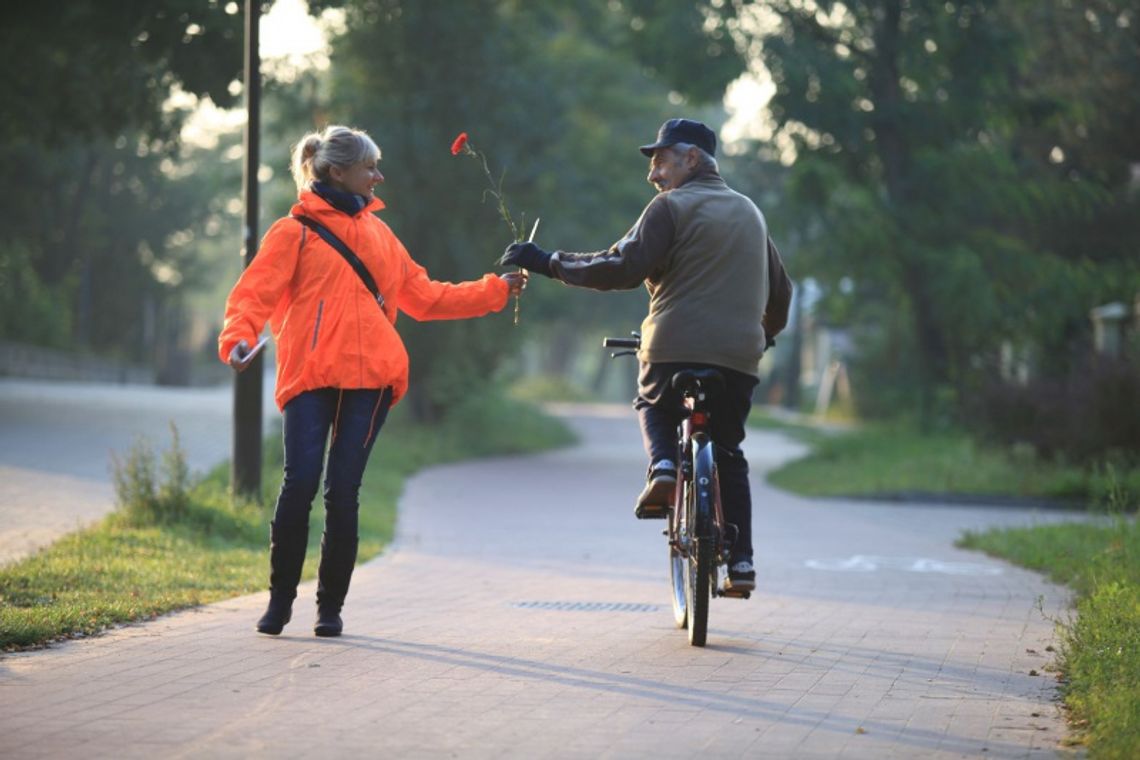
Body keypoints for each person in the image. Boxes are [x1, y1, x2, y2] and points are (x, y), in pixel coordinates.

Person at [219, 125, 526, 637]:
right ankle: (279, 602)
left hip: (372, 379)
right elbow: (254, 293)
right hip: (311, 374)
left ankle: (329, 609)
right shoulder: (293, 232)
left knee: (343, 491)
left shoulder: (382, 236)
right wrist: (237, 339)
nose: (378, 176)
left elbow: (426, 297)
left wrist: (494, 289)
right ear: (339, 172)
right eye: (370, 168)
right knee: (299, 483)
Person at [499, 118, 791, 593]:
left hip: (672, 346)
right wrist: (764, 335)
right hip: (739, 355)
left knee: (653, 402)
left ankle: (664, 468)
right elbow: (781, 292)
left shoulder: (669, 207)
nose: (652, 175)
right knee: (729, 452)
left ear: (691, 158)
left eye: (660, 161)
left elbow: (621, 267)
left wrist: (549, 262)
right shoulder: (751, 213)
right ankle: (741, 564)